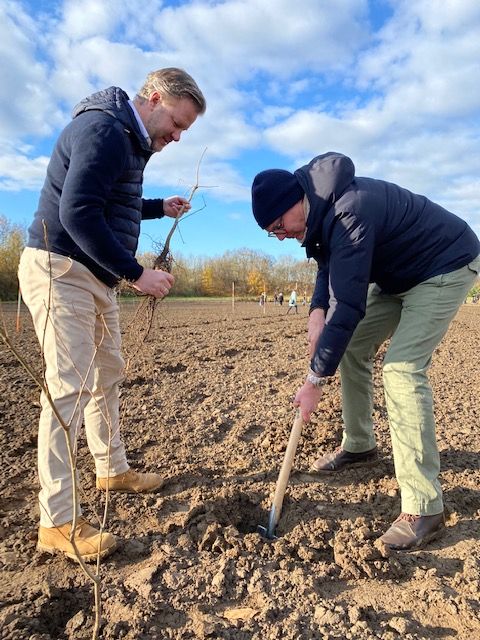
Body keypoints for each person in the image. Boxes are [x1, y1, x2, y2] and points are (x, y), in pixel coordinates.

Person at [18, 68, 206, 562]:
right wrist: (137, 274)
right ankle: (56, 521)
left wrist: (156, 207)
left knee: (106, 376)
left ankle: (111, 469)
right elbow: (77, 213)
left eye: (185, 130)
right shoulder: (103, 128)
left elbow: (109, 201)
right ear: (155, 97)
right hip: (62, 270)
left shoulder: (125, 139)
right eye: (176, 123)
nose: (177, 136)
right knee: (68, 392)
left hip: (93, 277)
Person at [252, 152, 479, 551]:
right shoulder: (319, 209)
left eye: (277, 225)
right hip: (399, 274)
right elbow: (327, 263)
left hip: (444, 265)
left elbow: (351, 305)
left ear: (293, 202)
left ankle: (425, 506)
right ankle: (359, 445)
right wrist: (316, 310)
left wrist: (315, 380)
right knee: (354, 345)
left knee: (401, 369)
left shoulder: (348, 211)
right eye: (271, 232)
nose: (279, 235)